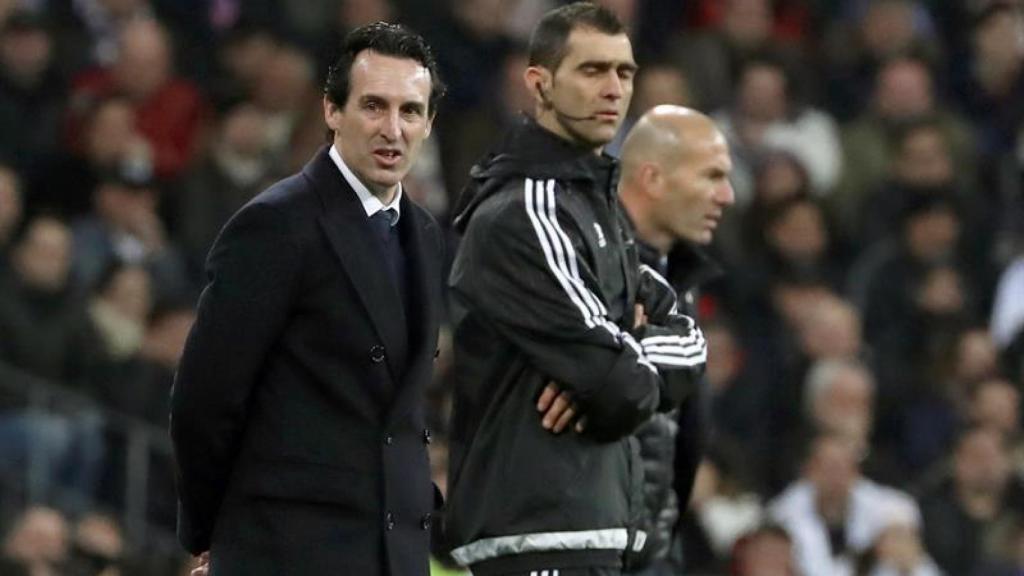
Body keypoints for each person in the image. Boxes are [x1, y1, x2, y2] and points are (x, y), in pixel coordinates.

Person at [170, 22, 447, 576]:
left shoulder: (424, 233)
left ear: (428, 123)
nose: (392, 129)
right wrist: (212, 533)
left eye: (410, 111)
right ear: (331, 111)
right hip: (288, 549)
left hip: (392, 553)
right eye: (373, 106)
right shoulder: (276, 225)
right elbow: (206, 397)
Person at [441, 4, 707, 576]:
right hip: (538, 532)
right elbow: (618, 383)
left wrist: (620, 355)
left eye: (624, 73)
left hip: (587, 523)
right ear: (540, 83)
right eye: (591, 71)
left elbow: (691, 342)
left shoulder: (594, 204)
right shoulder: (527, 211)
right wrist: (618, 360)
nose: (613, 89)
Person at [614, 106, 735, 573]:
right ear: (653, 178)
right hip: (598, 552)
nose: (726, 195)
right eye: (711, 176)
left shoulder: (677, 277)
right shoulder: (591, 270)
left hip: (653, 549)